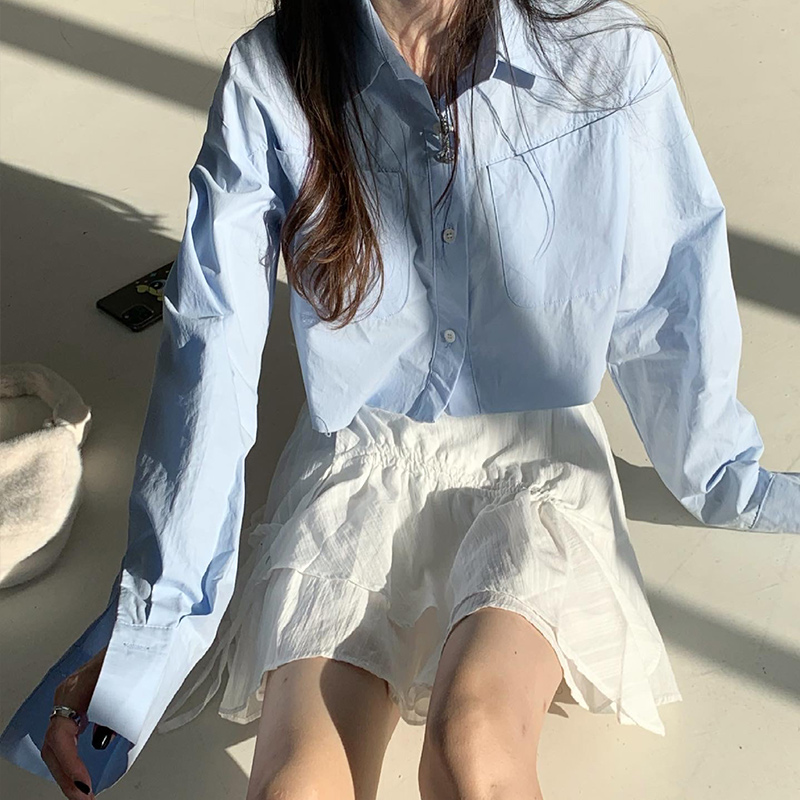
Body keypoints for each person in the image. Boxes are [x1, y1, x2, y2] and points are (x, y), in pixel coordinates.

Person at [1, 0, 797, 797]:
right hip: (355, 466)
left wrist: (727, 479)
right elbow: (209, 358)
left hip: (539, 467)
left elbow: (669, 296)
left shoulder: (601, 54)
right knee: (293, 788)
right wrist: (146, 642)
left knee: (473, 744)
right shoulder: (273, 76)